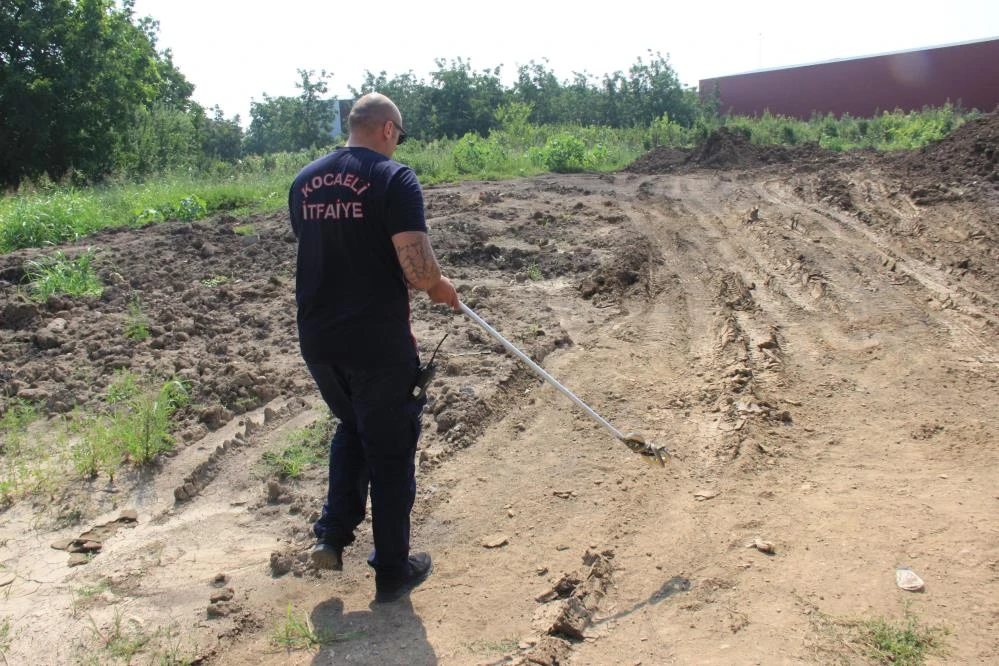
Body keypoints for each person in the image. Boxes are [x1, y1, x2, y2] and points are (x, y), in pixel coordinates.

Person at [287, 92, 460, 603]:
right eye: (399, 136)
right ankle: (391, 569)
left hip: (318, 340)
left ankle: (332, 535)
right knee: (390, 451)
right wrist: (439, 286)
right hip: (377, 344)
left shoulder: (303, 181)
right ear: (388, 130)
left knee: (353, 427)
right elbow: (418, 268)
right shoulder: (394, 178)